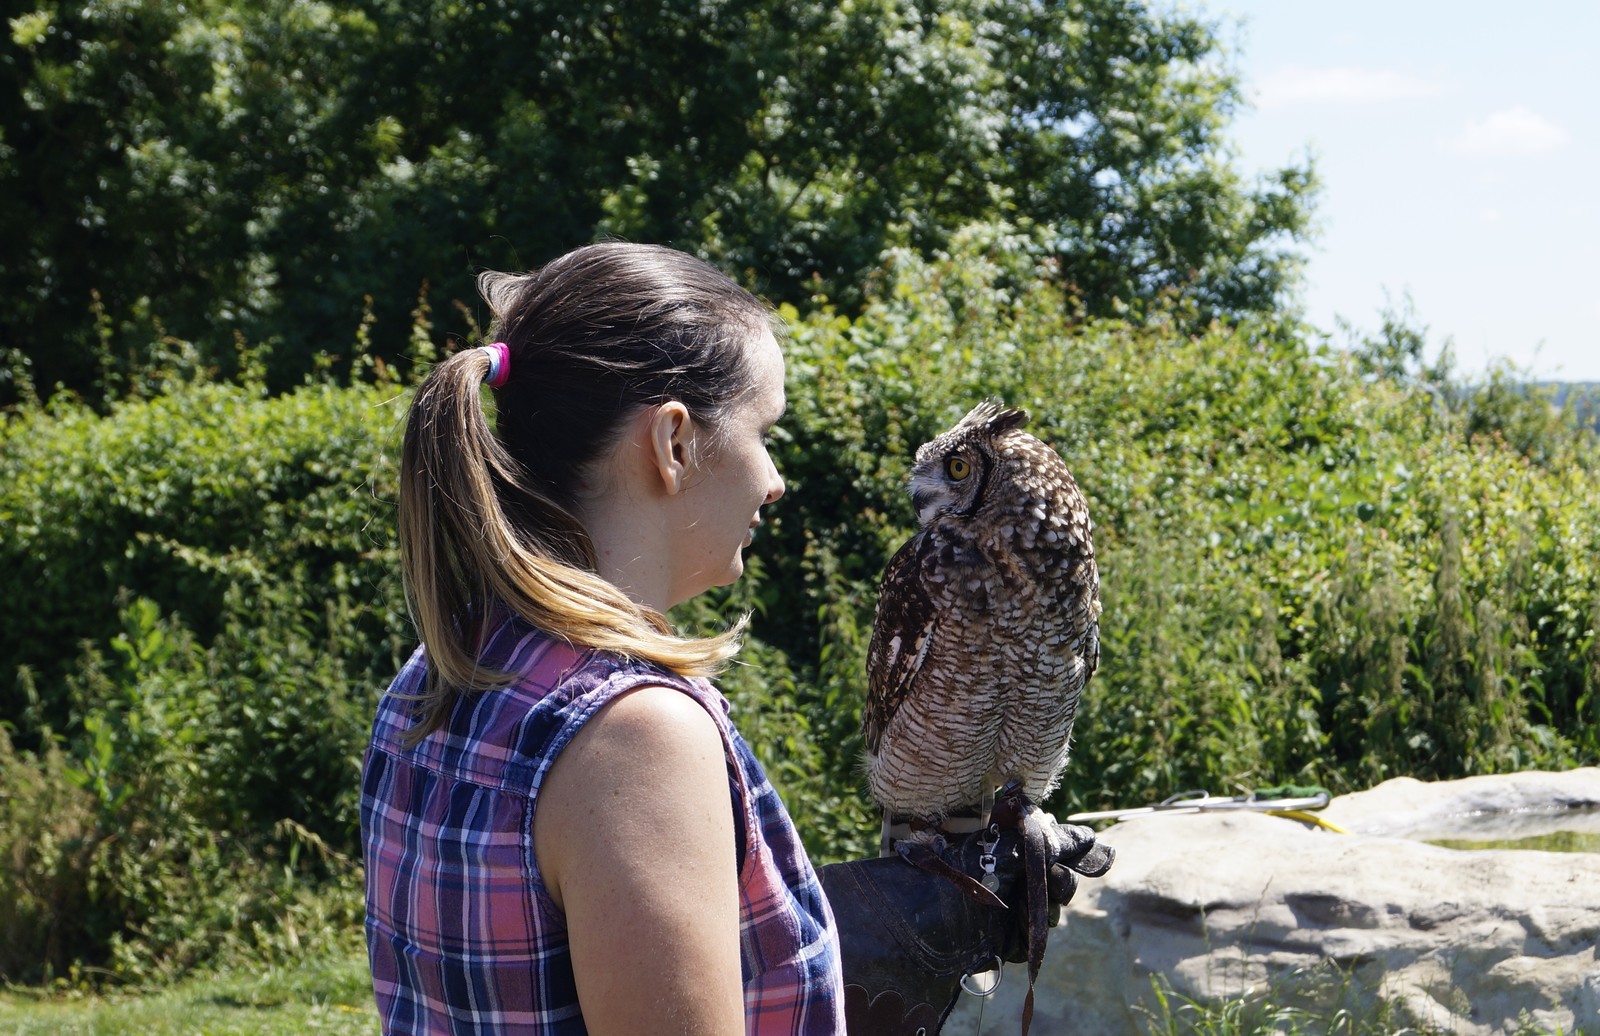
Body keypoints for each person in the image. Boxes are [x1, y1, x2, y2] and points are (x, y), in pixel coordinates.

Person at [360, 242, 1111, 1036]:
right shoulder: (635, 733)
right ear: (674, 444)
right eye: (764, 431)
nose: (774, 478)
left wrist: (830, 941)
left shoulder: (442, 668)